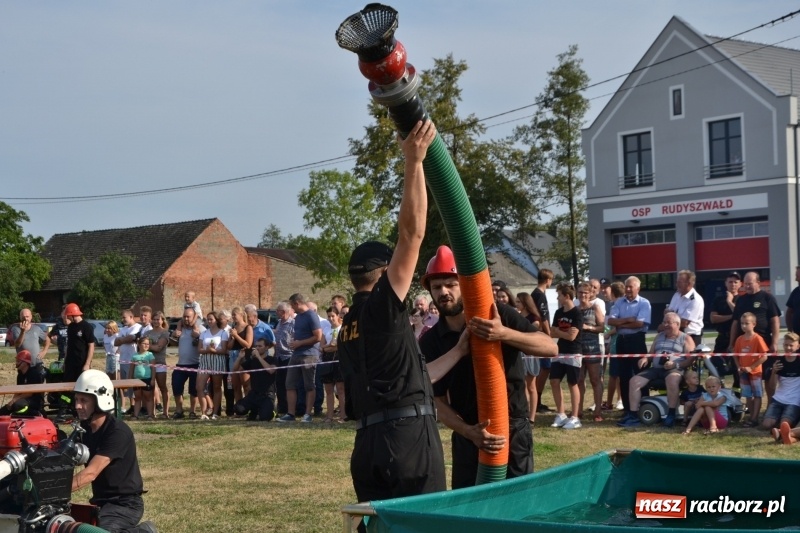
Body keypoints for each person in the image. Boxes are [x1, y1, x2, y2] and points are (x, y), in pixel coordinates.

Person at [337, 119, 447, 503]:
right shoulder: (383, 307)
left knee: (378, 525)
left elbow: (408, 374)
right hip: (407, 440)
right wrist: (414, 161)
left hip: (366, 445)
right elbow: (411, 235)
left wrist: (461, 351)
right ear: (385, 272)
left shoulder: (347, 326)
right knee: (425, 524)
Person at [419, 245, 556, 488]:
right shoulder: (431, 340)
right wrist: (468, 431)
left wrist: (503, 333)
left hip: (512, 429)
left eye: (450, 284)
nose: (443, 292)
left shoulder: (497, 314)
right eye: (437, 286)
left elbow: (550, 347)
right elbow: (434, 399)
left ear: (465, 285)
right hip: (468, 434)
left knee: (515, 502)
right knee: (468, 505)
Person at [71, 369, 157, 533]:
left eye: (83, 400)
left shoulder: (117, 432)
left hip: (125, 504)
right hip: (100, 503)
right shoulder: (84, 428)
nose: (77, 406)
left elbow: (90, 473)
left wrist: (58, 492)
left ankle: (144, 531)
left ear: (100, 401)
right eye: (76, 399)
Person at [621, 312, 695, 428]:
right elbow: (651, 354)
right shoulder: (659, 336)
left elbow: (690, 360)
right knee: (634, 381)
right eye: (664, 322)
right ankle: (633, 415)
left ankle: (671, 414)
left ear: (677, 324)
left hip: (675, 369)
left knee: (672, 379)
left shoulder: (686, 338)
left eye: (668, 323)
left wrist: (675, 364)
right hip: (656, 369)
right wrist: (646, 358)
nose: (665, 325)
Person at [729, 271, 781, 400]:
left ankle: (771, 404)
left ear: (758, 283)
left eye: (750, 283)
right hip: (745, 344)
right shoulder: (741, 300)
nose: (747, 286)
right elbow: (735, 322)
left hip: (764, 343)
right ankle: (750, 406)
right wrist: (731, 342)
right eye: (745, 284)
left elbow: (775, 320)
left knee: (768, 375)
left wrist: (774, 342)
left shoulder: (767, 298)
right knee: (747, 375)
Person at [607, 276, 652, 425]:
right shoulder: (619, 302)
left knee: (641, 374)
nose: (627, 289)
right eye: (626, 286)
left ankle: (644, 407)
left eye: (630, 287)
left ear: (638, 288)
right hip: (622, 341)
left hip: (637, 341)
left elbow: (639, 324)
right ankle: (628, 409)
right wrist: (628, 320)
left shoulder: (644, 303)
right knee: (624, 376)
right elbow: (610, 321)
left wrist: (621, 323)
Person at [277, 293, 322, 423]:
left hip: (309, 355)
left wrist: (300, 343)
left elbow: (318, 336)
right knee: (289, 384)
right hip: (296, 354)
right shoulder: (298, 317)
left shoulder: (311, 315)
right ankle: (290, 414)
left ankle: (307, 414)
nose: (291, 308)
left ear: (297, 303)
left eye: (292, 305)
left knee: (309, 385)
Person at [549, 283, 583, 429]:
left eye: (559, 295)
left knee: (572, 383)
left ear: (566, 296)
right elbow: (551, 332)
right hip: (559, 350)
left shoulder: (577, 313)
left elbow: (572, 337)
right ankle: (561, 414)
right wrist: (562, 332)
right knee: (554, 380)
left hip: (573, 351)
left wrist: (559, 332)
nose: (557, 298)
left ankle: (575, 417)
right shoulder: (558, 312)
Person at [734, 311, 768, 427]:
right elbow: (735, 355)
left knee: (757, 395)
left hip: (755, 372)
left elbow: (764, 356)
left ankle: (755, 418)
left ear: (754, 324)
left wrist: (751, 367)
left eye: (746, 323)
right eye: (742, 323)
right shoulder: (739, 339)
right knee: (748, 395)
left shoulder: (758, 338)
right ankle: (751, 417)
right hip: (743, 372)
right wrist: (739, 367)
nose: (744, 326)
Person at [577, 282, 604, 423]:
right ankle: (578, 411)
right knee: (579, 380)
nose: (583, 295)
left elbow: (603, 327)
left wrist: (589, 328)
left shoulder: (595, 308)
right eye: (580, 292)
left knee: (595, 380)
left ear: (590, 294)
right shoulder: (574, 309)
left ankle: (598, 411)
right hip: (578, 349)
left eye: (585, 292)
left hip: (592, 348)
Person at [171, 307, 205, 419]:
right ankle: (179, 410)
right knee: (176, 386)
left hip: (196, 364)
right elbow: (172, 342)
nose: (186, 319)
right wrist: (173, 335)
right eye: (184, 316)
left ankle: (192, 411)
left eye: (188, 317)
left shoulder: (200, 328)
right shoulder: (180, 329)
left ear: (194, 317)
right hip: (181, 364)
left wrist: (198, 336)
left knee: (193, 390)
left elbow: (206, 342)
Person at [63, 303, 95, 418]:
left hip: (82, 363)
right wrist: (65, 361)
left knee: (82, 388)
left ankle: (83, 410)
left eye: (68, 315)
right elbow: (69, 345)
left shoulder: (86, 326)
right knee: (67, 387)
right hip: (70, 363)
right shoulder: (71, 327)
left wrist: (87, 363)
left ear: (72, 314)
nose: (67, 317)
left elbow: (91, 345)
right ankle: (68, 409)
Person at [232, 338, 277, 421]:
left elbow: (271, 370)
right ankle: (254, 411)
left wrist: (259, 357)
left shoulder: (272, 359)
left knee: (264, 417)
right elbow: (236, 370)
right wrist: (239, 357)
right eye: (256, 346)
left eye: (260, 346)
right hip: (254, 394)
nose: (257, 348)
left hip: (267, 394)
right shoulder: (252, 361)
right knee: (238, 409)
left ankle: (270, 412)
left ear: (267, 347)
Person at [764, 333, 800, 435]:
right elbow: (772, 386)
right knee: (766, 425)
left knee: (784, 424)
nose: (788, 348)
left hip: (794, 401)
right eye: (785, 345)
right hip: (778, 399)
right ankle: (780, 426)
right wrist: (774, 372)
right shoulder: (779, 361)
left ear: (798, 346)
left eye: (791, 345)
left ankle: (783, 428)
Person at [709, 272, 742, 386]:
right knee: (716, 366)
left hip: (738, 339)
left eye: (735, 282)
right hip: (722, 338)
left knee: (737, 370)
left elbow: (741, 316)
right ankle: (719, 391)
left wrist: (729, 302)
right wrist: (732, 316)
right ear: (725, 283)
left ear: (740, 284)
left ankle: (737, 393)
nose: (733, 284)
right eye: (730, 282)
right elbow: (713, 318)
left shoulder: (743, 299)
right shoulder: (718, 300)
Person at [516, 292, 543, 422]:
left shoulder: (534, 318)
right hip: (519, 353)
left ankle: (532, 417)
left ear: (525, 303)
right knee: (523, 386)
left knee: (531, 386)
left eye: (518, 302)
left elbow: (532, 332)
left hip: (530, 353)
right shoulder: (516, 316)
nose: (516, 304)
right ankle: (524, 414)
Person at [196, 311, 228, 420]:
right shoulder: (204, 333)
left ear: (216, 320)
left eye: (211, 319)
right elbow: (199, 349)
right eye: (208, 319)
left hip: (218, 360)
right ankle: (204, 412)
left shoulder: (223, 333)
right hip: (205, 361)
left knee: (217, 387)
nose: (209, 321)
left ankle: (215, 413)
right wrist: (207, 350)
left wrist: (214, 351)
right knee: (199, 387)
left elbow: (224, 350)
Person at [663, 269, 704, 345]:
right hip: (675, 334)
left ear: (689, 284)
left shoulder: (696, 300)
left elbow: (684, 323)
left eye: (679, 282)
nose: (677, 284)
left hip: (691, 337)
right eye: (676, 282)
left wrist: (664, 325)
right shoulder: (677, 295)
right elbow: (667, 314)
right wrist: (672, 317)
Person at [533, 269, 554, 413]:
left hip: (536, 333)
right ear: (548, 280)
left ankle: (537, 399)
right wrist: (548, 334)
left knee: (542, 368)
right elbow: (544, 316)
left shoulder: (535, 294)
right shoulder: (540, 295)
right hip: (540, 334)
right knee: (544, 368)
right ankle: (537, 400)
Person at [603, 281, 625, 411]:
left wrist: (607, 334)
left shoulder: (617, 306)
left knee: (614, 375)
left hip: (617, 344)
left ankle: (612, 402)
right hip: (615, 343)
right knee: (617, 375)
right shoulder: (617, 305)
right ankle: (617, 401)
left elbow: (618, 327)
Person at [0, 350, 44, 416]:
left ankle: (37, 413)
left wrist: (15, 400)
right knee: (5, 409)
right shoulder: (20, 375)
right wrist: (12, 401)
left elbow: (29, 393)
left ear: (25, 363)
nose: (16, 363)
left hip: (34, 400)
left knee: (17, 405)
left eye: (18, 361)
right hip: (23, 399)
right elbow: (18, 390)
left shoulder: (33, 374)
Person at [114, 310, 142, 413]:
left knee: (134, 384)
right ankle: (132, 405)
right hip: (123, 360)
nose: (123, 320)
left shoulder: (138, 327)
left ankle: (138, 406)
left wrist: (123, 339)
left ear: (131, 317)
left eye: (124, 317)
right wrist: (125, 339)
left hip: (132, 360)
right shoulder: (123, 329)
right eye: (122, 318)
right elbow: (116, 342)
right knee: (127, 385)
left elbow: (132, 339)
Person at [320, 307, 345, 422]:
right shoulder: (325, 329)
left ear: (338, 316)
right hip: (326, 360)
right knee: (328, 389)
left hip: (339, 359)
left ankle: (343, 415)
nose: (330, 318)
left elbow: (340, 346)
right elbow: (321, 347)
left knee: (340, 389)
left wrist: (330, 347)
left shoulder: (342, 328)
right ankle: (329, 416)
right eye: (329, 316)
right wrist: (329, 346)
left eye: (332, 316)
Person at [145, 312, 171, 419]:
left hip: (160, 363)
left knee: (162, 387)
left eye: (158, 319)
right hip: (148, 364)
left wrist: (147, 345)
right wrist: (149, 346)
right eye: (154, 319)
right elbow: (141, 346)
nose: (156, 321)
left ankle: (165, 412)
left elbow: (158, 348)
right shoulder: (147, 332)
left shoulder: (165, 333)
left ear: (162, 320)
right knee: (150, 389)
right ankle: (151, 413)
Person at [227, 306, 253, 407]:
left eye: (235, 315)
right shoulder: (233, 328)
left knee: (246, 385)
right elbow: (229, 346)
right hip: (233, 356)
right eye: (232, 315)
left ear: (241, 315)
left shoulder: (248, 327)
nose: (233, 317)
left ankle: (248, 406)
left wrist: (236, 335)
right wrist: (232, 337)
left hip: (243, 356)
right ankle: (239, 408)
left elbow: (248, 344)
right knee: (236, 386)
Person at [272, 301, 295, 415]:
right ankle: (282, 407)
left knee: (288, 384)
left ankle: (290, 408)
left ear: (284, 312)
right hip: (279, 357)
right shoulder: (279, 323)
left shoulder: (293, 324)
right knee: (279, 383)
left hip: (288, 357)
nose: (276, 312)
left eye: (278, 310)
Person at [129, 337, 155, 419]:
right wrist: (130, 379)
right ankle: (136, 415)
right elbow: (131, 368)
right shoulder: (134, 356)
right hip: (136, 380)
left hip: (147, 379)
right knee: (137, 398)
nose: (146, 345)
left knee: (148, 397)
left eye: (148, 344)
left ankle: (150, 415)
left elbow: (153, 368)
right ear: (139, 344)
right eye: (144, 343)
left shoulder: (150, 355)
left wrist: (153, 379)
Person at [785, 266, 800, 334]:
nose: (796, 279)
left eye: (797, 276)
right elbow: (789, 312)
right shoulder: (795, 292)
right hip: (797, 334)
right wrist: (790, 329)